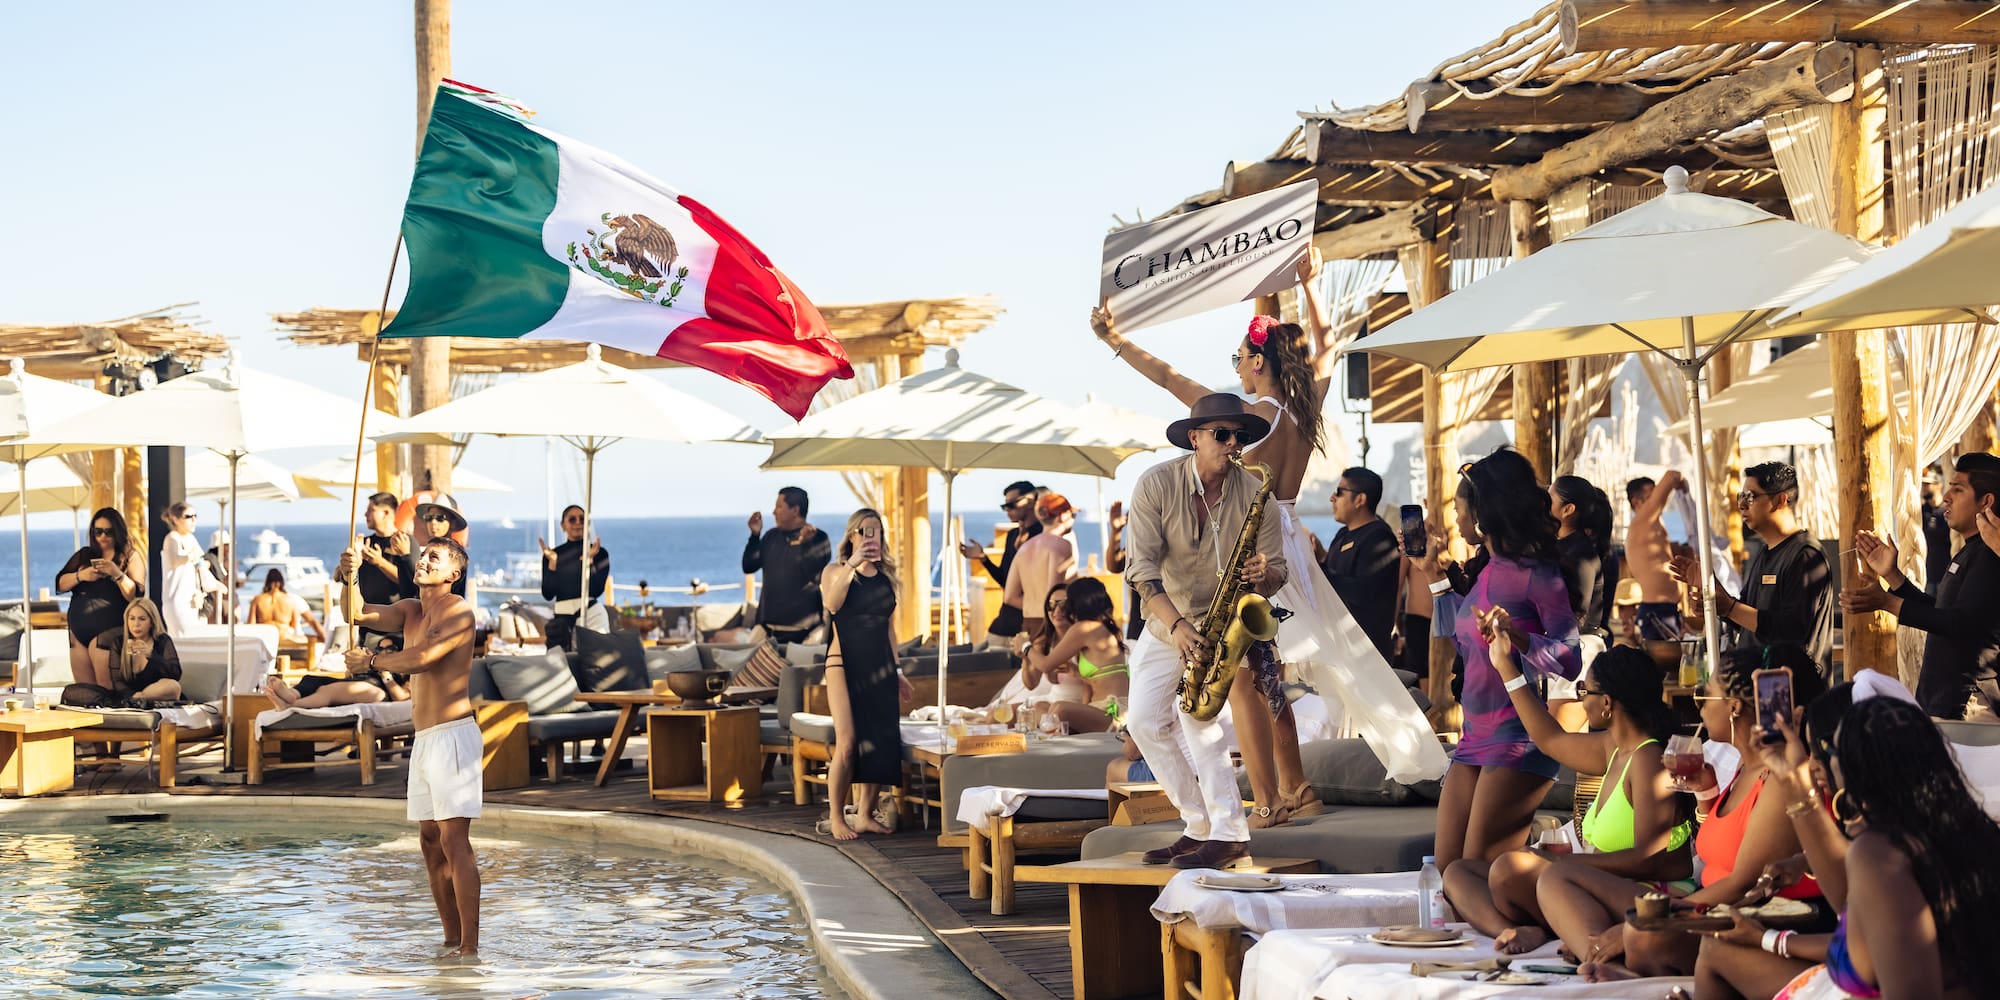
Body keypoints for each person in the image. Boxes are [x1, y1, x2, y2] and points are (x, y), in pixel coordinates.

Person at [1098, 248, 1441, 819]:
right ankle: (1293, 787)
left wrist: (1115, 340)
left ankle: (1272, 796)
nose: (1234, 365)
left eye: (1239, 356)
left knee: (1246, 677)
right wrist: (1308, 284)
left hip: (1253, 540)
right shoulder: (1303, 407)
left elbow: (1168, 378)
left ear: (1257, 363)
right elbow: (1325, 345)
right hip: (1288, 538)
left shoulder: (1238, 416)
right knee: (1264, 675)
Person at [1537, 645, 1828, 981]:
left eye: (1706, 694)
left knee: (1642, 933)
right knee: (1556, 880)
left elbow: (1741, 882)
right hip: (1701, 906)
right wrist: (1706, 794)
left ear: (1733, 707)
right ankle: (1607, 955)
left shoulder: (1778, 779)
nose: (1698, 703)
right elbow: (1717, 850)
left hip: (1738, 918)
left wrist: (1663, 915)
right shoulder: (1742, 770)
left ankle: (1612, 963)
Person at [1694, 689, 2000, 999]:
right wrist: (1794, 782)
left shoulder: (1879, 854)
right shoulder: (1963, 831)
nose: (1816, 763)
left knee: (1712, 950)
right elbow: (1850, 908)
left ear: (1853, 765)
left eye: (1823, 751)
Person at [1120, 393, 1290, 870]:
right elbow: (1141, 570)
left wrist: (1265, 572)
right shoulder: (1155, 485)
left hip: (1222, 624)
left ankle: (1230, 832)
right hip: (1165, 621)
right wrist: (1175, 625)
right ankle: (1198, 825)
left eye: (1239, 436)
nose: (1233, 444)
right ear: (1194, 438)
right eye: (1222, 434)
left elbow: (1278, 569)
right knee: (1143, 723)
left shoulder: (1258, 495)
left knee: (1199, 722)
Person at [1444, 644, 1690, 955]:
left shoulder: (1648, 760)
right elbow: (1549, 739)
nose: (1578, 698)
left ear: (1607, 703)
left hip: (1644, 894)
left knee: (1509, 867)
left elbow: (1648, 858)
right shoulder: (1613, 748)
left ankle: (1560, 928)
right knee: (1459, 872)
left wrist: (1563, 863)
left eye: (1584, 690)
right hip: (1585, 884)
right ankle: (1514, 931)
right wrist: (1506, 667)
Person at [1429, 448, 1581, 875]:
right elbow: (1461, 639)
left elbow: (1571, 660)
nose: (1456, 521)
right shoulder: (1487, 571)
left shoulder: (1538, 573)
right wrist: (1432, 575)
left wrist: (1518, 636)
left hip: (1519, 739)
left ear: (1483, 514)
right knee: (1448, 870)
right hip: (1474, 738)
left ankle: (1536, 921)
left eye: (1460, 510)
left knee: (1478, 870)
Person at [337, 535, 481, 957]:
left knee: (455, 841)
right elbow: (357, 613)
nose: (423, 560)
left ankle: (470, 948)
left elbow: (425, 657)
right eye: (423, 555)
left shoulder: (458, 610)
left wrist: (373, 662)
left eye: (433, 558)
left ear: (453, 574)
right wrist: (351, 575)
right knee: (428, 841)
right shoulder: (411, 610)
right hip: (424, 740)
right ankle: (450, 940)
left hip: (454, 735)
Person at [1842, 452, 2000, 720]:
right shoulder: (1971, 550)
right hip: (1947, 702)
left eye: (1958, 489)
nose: (1947, 497)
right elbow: (1940, 612)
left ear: (1986, 501)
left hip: (1967, 704)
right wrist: (1893, 578)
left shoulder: (1990, 555)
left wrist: (1887, 602)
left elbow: (1960, 623)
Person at [1675, 461, 1835, 682]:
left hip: (1791, 692)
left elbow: (1790, 630)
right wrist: (1716, 598)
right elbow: (1746, 615)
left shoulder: (1805, 555)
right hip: (1757, 686)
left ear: (1781, 500)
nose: (1741, 505)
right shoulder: (1765, 552)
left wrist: (1729, 608)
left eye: (1750, 497)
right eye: (1741, 497)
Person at [821, 508, 914, 840]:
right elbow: (832, 605)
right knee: (848, 744)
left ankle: (864, 814)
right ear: (852, 535)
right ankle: (836, 816)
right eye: (864, 531)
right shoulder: (835, 571)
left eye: (876, 531)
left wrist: (898, 669)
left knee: (880, 742)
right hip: (843, 664)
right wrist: (853, 563)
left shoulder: (887, 578)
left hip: (881, 668)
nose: (871, 537)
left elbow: (889, 628)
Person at [1015, 577, 1129, 733]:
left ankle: (1053, 731)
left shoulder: (1084, 628)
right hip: (1100, 709)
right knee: (1044, 707)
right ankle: (1057, 730)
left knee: (1060, 709)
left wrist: (1025, 645)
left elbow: (1045, 664)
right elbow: (1092, 685)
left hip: (1113, 713)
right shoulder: (1100, 628)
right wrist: (1074, 671)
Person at [1550, 475, 1615, 729]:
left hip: (1579, 650)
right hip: (1564, 649)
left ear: (1567, 510)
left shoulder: (1582, 554)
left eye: (1550, 498)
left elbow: (1577, 613)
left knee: (1559, 737)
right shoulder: (1562, 548)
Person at [55, 507, 146, 688]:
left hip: (108, 632)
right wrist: (81, 576)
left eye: (108, 532)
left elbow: (135, 595)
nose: (102, 536)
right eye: (98, 531)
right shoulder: (85, 555)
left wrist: (117, 574)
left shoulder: (130, 557)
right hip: (78, 633)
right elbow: (60, 583)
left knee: (107, 689)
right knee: (86, 692)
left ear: (118, 532)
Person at [1322, 466, 1400, 663]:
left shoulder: (1380, 538)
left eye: (1339, 492)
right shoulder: (1342, 534)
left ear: (1360, 500)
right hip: (1339, 648)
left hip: (1366, 655)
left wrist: (1319, 567)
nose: (1333, 498)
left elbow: (1361, 592)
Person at [743, 487, 831, 644]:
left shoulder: (818, 538)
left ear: (795, 510)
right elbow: (748, 566)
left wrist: (806, 545)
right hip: (768, 631)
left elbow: (815, 576)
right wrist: (755, 536)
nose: (774, 512)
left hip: (806, 634)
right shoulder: (771, 537)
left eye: (779, 507)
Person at [61, 598, 182, 707]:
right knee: (72, 691)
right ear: (126, 620)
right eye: (132, 618)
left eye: (142, 619)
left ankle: (140, 700)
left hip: (154, 694)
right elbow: (117, 681)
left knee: (172, 686)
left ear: (151, 622)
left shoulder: (162, 641)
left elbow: (175, 673)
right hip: (126, 696)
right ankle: (135, 701)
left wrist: (151, 655)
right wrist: (132, 696)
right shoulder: (119, 643)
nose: (136, 624)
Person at [962, 481, 1041, 648]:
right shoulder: (1012, 535)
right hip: (1003, 626)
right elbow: (1006, 581)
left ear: (1030, 500)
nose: (1007, 510)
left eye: (1011, 505)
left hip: (1031, 628)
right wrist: (983, 559)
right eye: (1004, 506)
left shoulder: (1043, 535)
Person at [264, 633, 410, 709]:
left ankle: (291, 706)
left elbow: (402, 697)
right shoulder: (373, 664)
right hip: (365, 682)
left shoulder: (406, 670)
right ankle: (292, 694)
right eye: (380, 649)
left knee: (329, 691)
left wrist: (385, 673)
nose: (384, 653)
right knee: (312, 679)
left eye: (390, 649)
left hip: (381, 691)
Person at [1007, 492, 1078, 642]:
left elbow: (1010, 597)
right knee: (1059, 665)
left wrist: (1034, 606)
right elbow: (1055, 592)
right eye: (1072, 515)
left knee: (1031, 665)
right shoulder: (1061, 545)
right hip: (1053, 623)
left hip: (1028, 623)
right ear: (1063, 516)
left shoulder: (1024, 548)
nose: (1073, 519)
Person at [539, 505, 610, 651]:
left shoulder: (599, 553)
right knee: (560, 666)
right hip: (562, 621)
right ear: (563, 525)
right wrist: (552, 563)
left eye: (582, 519)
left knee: (597, 663)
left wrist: (588, 561)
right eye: (572, 519)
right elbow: (548, 593)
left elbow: (596, 590)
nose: (578, 523)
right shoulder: (552, 555)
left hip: (592, 614)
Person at [1626, 473, 1686, 640]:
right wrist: (1680, 483)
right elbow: (1671, 475)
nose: (1658, 497)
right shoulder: (1642, 521)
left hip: (1669, 608)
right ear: (1637, 502)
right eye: (1652, 494)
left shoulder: (1654, 523)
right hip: (1656, 610)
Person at [356, 492, 416, 607]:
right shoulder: (364, 543)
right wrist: (350, 561)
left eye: (371, 510)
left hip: (395, 618)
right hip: (366, 616)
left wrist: (379, 562)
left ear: (385, 513)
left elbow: (412, 581)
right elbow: (337, 576)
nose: (365, 514)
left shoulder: (405, 541)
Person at [157, 502, 206, 638]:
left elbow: (201, 561)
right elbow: (173, 561)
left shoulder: (190, 538)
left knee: (193, 639)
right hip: (176, 599)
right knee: (181, 638)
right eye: (189, 516)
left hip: (191, 600)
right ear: (175, 519)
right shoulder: (172, 538)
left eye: (195, 516)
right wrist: (191, 556)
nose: (193, 520)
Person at [412, 493, 470, 599]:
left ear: (452, 523)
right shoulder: (423, 552)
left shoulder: (457, 556)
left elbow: (457, 593)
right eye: (429, 518)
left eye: (440, 518)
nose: (433, 522)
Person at [248, 569, 328, 644]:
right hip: (285, 637)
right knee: (314, 639)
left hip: (265, 638)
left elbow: (251, 625)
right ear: (281, 583)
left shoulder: (257, 600)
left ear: (267, 583)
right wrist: (324, 638)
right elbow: (294, 625)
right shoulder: (290, 600)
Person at [1922, 463, 1953, 595]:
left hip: (1945, 576)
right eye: (1922, 484)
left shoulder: (1948, 511)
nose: (1923, 488)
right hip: (1927, 576)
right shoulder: (1920, 512)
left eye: (1927, 484)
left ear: (1939, 485)